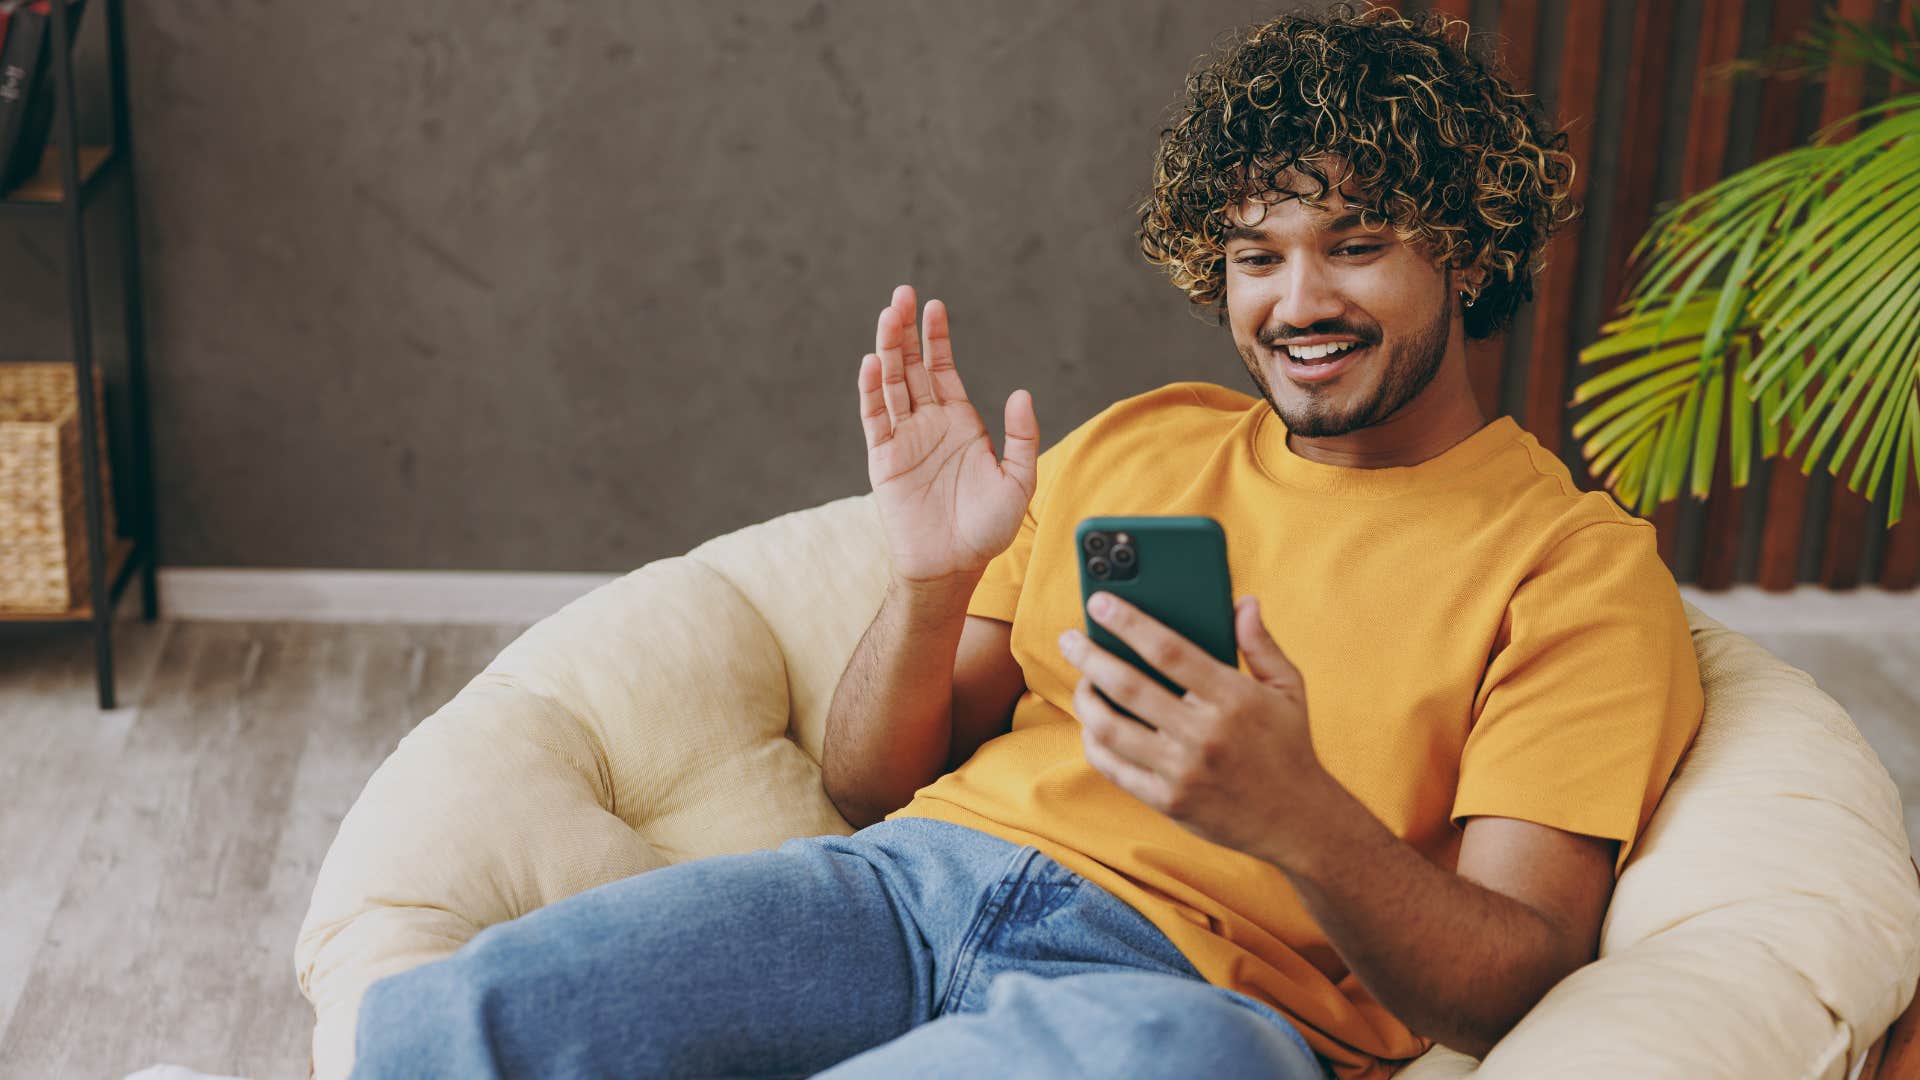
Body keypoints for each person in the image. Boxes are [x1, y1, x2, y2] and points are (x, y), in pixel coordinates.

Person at [348, 4, 1703, 1077]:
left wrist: (1296, 818)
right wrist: (933, 585)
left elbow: (1517, 976)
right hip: (904, 885)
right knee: (488, 1012)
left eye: (1355, 246)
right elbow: (876, 786)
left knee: (1189, 1062)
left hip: (1188, 999)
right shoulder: (1142, 441)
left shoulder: (1572, 570)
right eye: (1254, 254)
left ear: (1467, 253)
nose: (1299, 300)